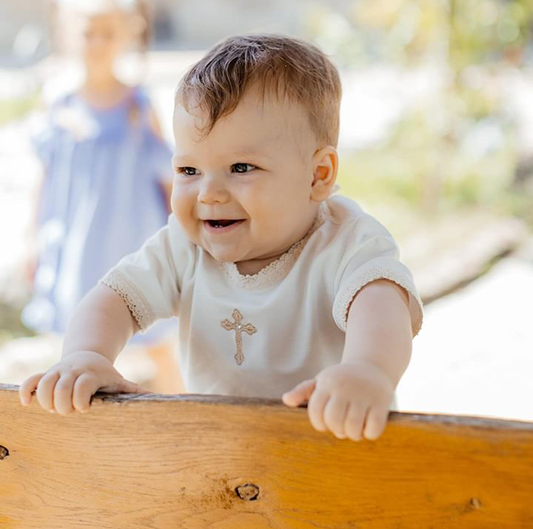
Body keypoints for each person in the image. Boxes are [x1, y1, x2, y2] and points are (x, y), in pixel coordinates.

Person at [20, 34, 423, 441]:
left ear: (318, 175)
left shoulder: (345, 241)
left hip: (334, 441)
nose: (208, 194)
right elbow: (115, 297)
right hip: (223, 451)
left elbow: (381, 300)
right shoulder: (185, 246)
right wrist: (87, 354)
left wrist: (367, 370)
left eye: (241, 167)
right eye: (189, 171)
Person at [21, 0, 182, 392]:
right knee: (76, 335)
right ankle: (72, 406)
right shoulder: (59, 104)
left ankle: (181, 406)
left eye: (107, 33)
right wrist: (32, 239)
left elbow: (167, 175)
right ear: (69, 36)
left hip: (129, 235)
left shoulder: (138, 105)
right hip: (78, 240)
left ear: (125, 36)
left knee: (155, 336)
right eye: (87, 33)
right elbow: (45, 178)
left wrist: (180, 233)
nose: (97, 42)